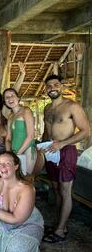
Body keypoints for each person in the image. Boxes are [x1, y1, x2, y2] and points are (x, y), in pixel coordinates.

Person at [41, 75, 90, 243]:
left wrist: (62, 143)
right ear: (46, 89)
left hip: (67, 151)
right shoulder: (47, 108)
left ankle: (60, 231)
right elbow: (46, 132)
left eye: (56, 84)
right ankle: (59, 224)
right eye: (49, 85)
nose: (52, 88)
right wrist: (42, 147)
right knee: (56, 189)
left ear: (61, 87)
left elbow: (86, 131)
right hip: (50, 151)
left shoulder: (72, 106)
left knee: (65, 190)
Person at [4, 88, 36, 175]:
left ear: (18, 98)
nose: (10, 98)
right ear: (5, 102)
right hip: (14, 151)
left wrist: (17, 154)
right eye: (7, 97)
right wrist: (9, 154)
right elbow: (8, 139)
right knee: (14, 178)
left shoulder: (26, 111)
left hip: (27, 150)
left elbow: (31, 135)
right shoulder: (10, 116)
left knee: (25, 177)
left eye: (12, 95)